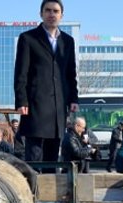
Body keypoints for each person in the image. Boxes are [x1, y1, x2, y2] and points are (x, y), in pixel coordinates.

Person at [14, 0, 79, 164]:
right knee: (35, 155)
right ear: (41, 14)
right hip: (35, 105)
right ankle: (33, 189)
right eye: (48, 10)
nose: (52, 14)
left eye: (56, 11)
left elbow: (71, 73)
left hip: (58, 107)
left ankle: (51, 189)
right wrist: (21, 100)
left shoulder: (68, 41)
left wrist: (73, 98)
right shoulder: (28, 38)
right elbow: (21, 72)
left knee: (52, 156)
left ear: (61, 15)